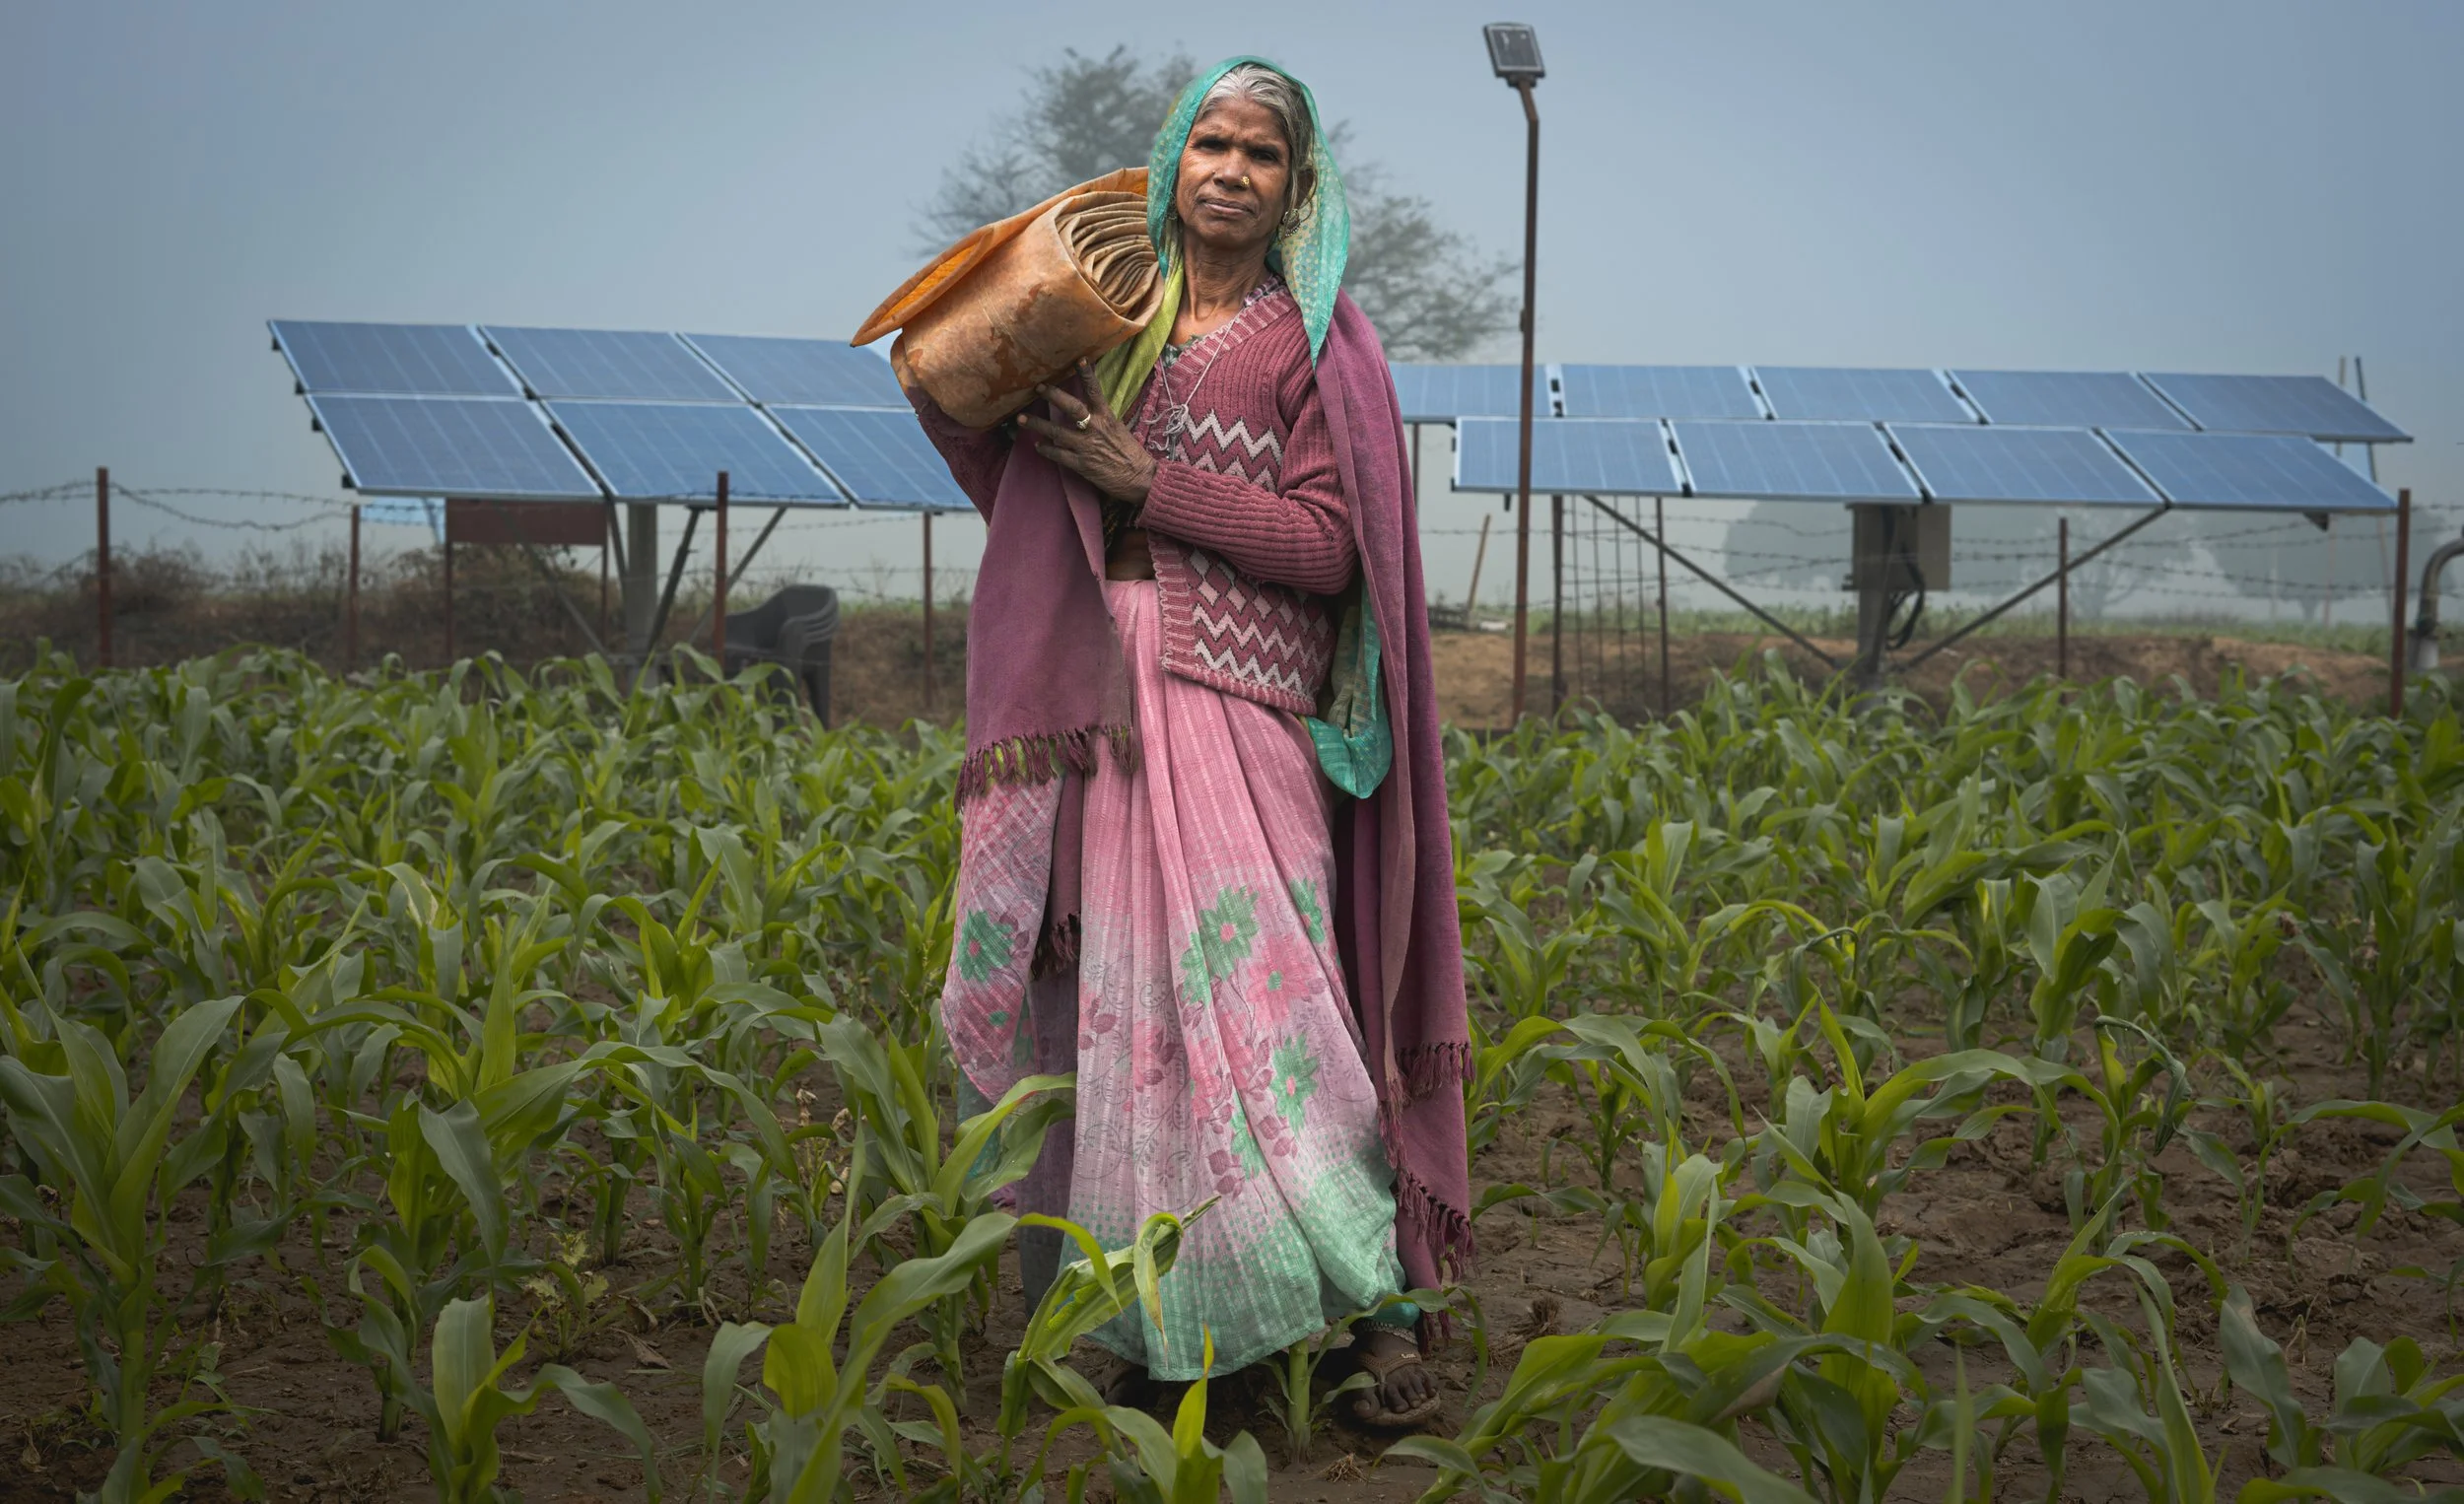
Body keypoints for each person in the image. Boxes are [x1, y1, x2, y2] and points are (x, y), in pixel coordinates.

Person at [901, 56, 1470, 1428]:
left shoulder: (1317, 344)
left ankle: (1358, 1315)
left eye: (1260, 155)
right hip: (1103, 703)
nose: (1230, 169)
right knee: (1130, 1018)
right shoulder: (1109, 318)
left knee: (1276, 1012)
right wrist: (1013, 294)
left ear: (1297, 188)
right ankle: (1158, 1321)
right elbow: (954, 390)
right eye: (1209, 143)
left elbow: (1335, 550)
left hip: (1242, 706)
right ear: (1172, 163)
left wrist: (1153, 483)